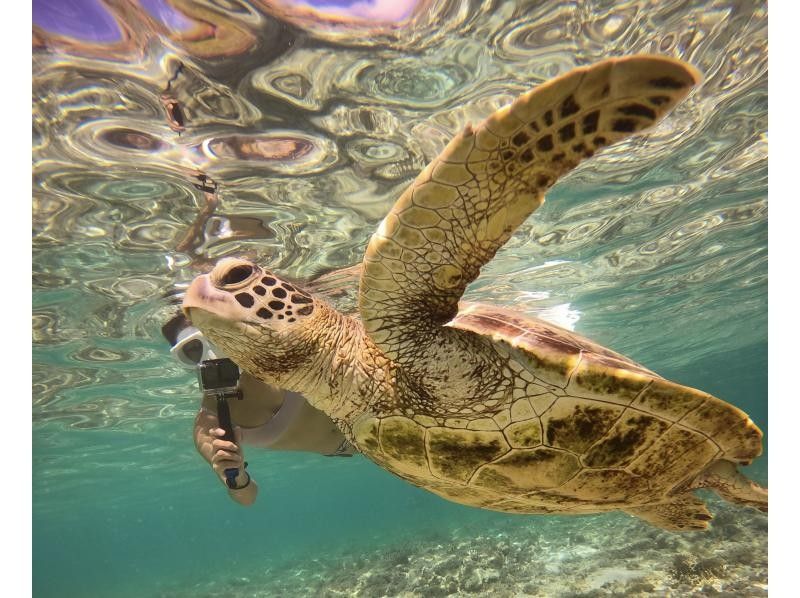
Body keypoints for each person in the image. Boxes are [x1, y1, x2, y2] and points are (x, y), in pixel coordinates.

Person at [162, 313, 356, 506]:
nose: (212, 353)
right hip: (355, 447)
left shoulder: (276, 347)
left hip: (378, 412)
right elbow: (247, 498)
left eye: (216, 337)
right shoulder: (210, 423)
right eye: (193, 349)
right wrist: (237, 477)